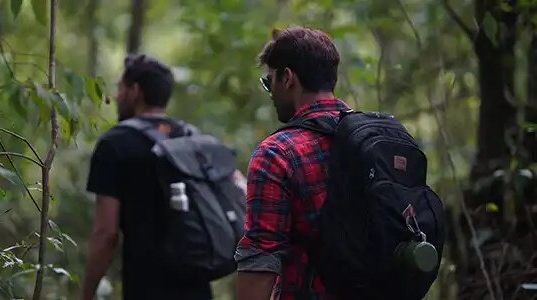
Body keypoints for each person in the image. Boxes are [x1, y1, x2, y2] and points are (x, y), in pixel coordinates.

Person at [81, 54, 214, 300]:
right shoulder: (191, 138)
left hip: (146, 288)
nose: (118, 97)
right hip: (198, 288)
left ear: (135, 91)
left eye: (121, 89)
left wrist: (87, 294)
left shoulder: (114, 144)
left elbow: (106, 234)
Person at [234, 26, 348, 300]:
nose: (270, 91)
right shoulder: (374, 138)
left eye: (269, 80)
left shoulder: (278, 153)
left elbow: (260, 260)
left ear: (287, 78)